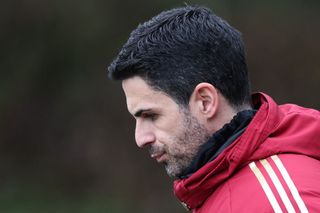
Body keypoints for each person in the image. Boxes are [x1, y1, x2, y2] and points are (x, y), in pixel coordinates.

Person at [107, 5, 320, 212]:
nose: (140, 138)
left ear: (205, 102)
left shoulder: (277, 203)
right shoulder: (216, 188)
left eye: (151, 115)